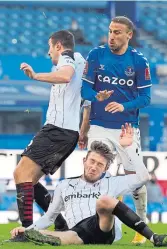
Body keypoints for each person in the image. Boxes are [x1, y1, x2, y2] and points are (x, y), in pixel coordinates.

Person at [13, 29, 113, 239]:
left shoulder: (69, 58)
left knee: (20, 174)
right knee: (28, 180)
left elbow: (66, 77)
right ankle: (60, 225)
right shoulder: (81, 63)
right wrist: (83, 131)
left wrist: (35, 75)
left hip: (57, 130)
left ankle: (26, 232)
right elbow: (87, 102)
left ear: (58, 46)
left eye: (50, 47)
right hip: (66, 132)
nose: (49, 52)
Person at [10, 125, 167, 247]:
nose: (94, 167)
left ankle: (154, 238)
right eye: (92, 161)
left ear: (105, 169)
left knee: (104, 201)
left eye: (100, 164)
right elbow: (50, 216)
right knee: (67, 235)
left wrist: (129, 148)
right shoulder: (64, 185)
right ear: (84, 161)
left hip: (104, 229)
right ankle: (40, 236)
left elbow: (144, 177)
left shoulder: (112, 182)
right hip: (77, 233)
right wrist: (28, 229)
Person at [80, 16, 152, 244]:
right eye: (110, 31)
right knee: (97, 175)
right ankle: (97, 226)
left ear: (129, 35)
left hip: (127, 129)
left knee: (137, 181)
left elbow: (145, 98)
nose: (112, 36)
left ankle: (141, 225)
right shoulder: (96, 55)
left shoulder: (139, 62)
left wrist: (124, 105)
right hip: (99, 126)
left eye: (118, 32)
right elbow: (84, 90)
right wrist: (95, 96)